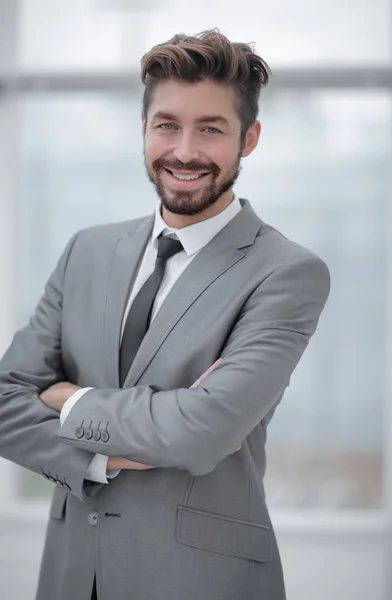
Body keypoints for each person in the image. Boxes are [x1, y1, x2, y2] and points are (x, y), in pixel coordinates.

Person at [0, 29, 331, 600]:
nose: (183, 151)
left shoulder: (286, 272)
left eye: (211, 128)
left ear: (249, 138)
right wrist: (105, 458)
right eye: (167, 125)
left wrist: (66, 398)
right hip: (72, 574)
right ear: (145, 128)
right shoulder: (87, 250)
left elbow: (202, 432)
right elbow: (5, 401)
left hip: (200, 581)